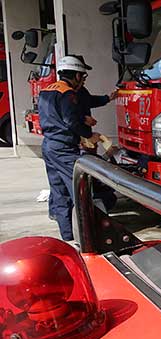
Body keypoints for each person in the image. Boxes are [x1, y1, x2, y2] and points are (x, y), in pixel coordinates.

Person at [38, 55, 115, 240]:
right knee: (79, 191)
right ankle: (89, 237)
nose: (83, 79)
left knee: (59, 192)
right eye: (83, 75)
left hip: (49, 146)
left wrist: (106, 99)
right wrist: (90, 135)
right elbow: (70, 121)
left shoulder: (47, 90)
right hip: (64, 149)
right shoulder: (67, 93)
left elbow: (59, 115)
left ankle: (68, 237)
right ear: (77, 75)